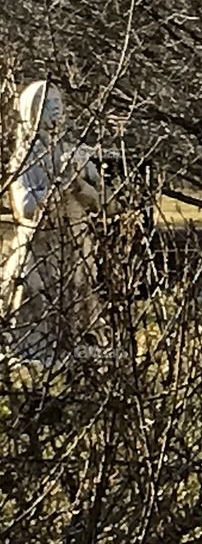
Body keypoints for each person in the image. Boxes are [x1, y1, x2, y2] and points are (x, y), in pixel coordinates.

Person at [1, 80, 107, 364]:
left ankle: (81, 353)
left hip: (75, 243)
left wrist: (81, 186)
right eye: (48, 103)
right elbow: (26, 208)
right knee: (33, 295)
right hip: (41, 247)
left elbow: (103, 202)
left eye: (59, 102)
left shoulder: (74, 152)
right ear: (32, 110)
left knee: (79, 301)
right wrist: (59, 186)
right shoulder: (24, 158)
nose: (56, 108)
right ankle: (34, 353)